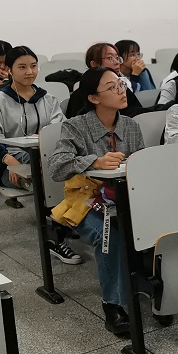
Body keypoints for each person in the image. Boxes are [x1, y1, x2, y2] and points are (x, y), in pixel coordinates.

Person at [47, 67, 145, 336]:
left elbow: (143, 164)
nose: (121, 91)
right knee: (109, 235)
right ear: (93, 98)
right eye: (112, 87)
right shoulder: (76, 127)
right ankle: (112, 305)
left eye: (121, 84)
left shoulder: (130, 126)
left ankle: (159, 291)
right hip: (87, 201)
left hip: (127, 198)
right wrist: (94, 162)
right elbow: (56, 166)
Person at [0, 46, 80, 265]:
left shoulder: (48, 99)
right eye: (22, 67)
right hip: (8, 165)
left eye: (33, 66)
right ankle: (55, 238)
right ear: (9, 70)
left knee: (61, 167)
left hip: (43, 160)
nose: (29, 72)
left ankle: (64, 220)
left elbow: (62, 133)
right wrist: (10, 162)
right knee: (47, 175)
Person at [64, 42, 146, 119]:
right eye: (110, 58)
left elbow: (139, 111)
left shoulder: (122, 87)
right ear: (94, 64)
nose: (117, 62)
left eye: (117, 58)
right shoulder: (80, 95)